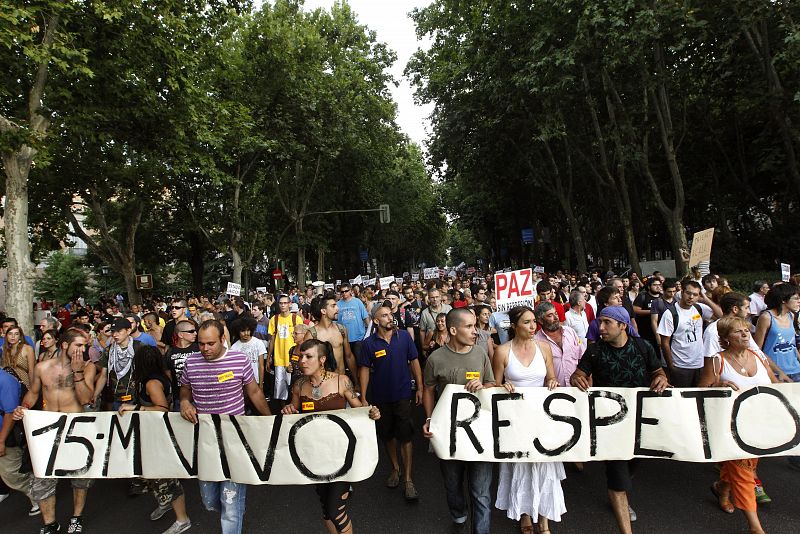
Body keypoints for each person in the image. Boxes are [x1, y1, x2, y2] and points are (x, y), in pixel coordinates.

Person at [570, 307, 669, 534]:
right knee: (617, 476)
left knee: (632, 461)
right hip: (609, 424)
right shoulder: (594, 352)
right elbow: (578, 373)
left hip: (639, 422)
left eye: (606, 323)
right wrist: (578, 379)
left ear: (623, 326)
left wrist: (661, 379)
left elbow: (658, 372)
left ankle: (622, 485)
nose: (600, 328)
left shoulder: (643, 347)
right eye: (600, 323)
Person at [179, 320, 271, 534]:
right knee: (209, 500)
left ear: (222, 340)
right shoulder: (191, 362)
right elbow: (185, 389)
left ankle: (233, 514)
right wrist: (184, 402)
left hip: (234, 440)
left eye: (210, 343)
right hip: (206, 442)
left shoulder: (239, 360)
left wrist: (269, 422)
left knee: (230, 505)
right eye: (201, 344)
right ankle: (233, 509)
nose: (205, 349)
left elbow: (254, 392)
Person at [282, 338, 380, 534]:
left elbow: (360, 411)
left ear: (322, 359)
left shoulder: (340, 381)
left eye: (308, 356)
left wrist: (372, 413)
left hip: (341, 456)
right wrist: (288, 409)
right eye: (301, 356)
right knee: (327, 509)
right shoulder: (299, 386)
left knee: (336, 510)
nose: (302, 361)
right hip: (315, 458)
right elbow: (293, 415)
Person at [699, 316, 778, 534]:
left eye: (746, 330)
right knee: (744, 473)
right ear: (725, 338)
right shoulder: (717, 360)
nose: (745, 334)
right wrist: (719, 385)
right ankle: (755, 527)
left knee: (749, 466)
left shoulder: (758, 356)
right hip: (730, 427)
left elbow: (776, 386)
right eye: (738, 332)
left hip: (760, 425)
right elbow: (701, 391)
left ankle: (721, 488)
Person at [14, 328, 97, 534]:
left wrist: (77, 371)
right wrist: (22, 407)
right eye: (78, 345)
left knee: (79, 479)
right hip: (48, 431)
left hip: (76, 431)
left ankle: (76, 517)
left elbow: (86, 398)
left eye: (85, 346)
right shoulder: (42, 367)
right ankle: (49, 523)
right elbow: (33, 394)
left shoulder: (88, 368)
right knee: (42, 480)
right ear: (65, 345)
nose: (82, 350)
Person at [423, 308, 496, 534]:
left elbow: (492, 384)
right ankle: (458, 513)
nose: (475, 332)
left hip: (479, 434)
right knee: (453, 485)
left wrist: (484, 386)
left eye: (475, 326)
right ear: (453, 330)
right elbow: (428, 389)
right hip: (449, 433)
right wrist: (429, 418)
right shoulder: (435, 358)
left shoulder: (481, 354)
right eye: (469, 327)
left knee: (481, 493)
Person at [493, 306, 565, 534]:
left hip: (542, 418)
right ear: (515, 326)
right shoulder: (502, 351)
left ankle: (543, 520)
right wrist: (502, 386)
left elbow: (551, 377)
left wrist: (553, 383)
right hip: (515, 419)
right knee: (521, 465)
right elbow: (494, 386)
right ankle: (524, 513)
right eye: (527, 322)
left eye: (534, 321)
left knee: (544, 466)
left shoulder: (544, 348)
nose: (533, 326)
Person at [118, 345, 191, 534]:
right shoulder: (154, 379)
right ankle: (164, 502)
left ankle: (182, 519)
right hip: (152, 435)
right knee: (151, 475)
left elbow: (162, 409)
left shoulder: (152, 383)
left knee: (167, 477)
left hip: (160, 437)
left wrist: (136, 409)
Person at [358, 304, 423, 501]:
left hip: (403, 395)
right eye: (384, 315)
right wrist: (363, 397)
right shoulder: (369, 344)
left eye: (391, 314)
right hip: (380, 398)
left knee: (405, 436)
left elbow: (414, 361)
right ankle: (395, 468)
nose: (390, 317)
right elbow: (363, 370)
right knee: (387, 435)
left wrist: (419, 387)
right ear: (376, 321)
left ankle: (408, 479)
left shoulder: (403, 336)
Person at [656, 280, 714, 387]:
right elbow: (665, 343)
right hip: (680, 366)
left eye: (695, 295)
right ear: (682, 292)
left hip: (699, 364)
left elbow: (720, 315)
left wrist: (705, 299)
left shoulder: (699, 308)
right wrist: (671, 367)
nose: (691, 297)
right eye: (688, 293)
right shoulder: (670, 314)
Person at [0, 368, 39, 517]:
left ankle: (37, 495)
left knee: (11, 473)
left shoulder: (5, 381)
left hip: (6, 434)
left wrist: (1, 441)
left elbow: (10, 413)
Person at [304, 294, 359, 389]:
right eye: (333, 306)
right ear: (323, 311)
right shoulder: (312, 334)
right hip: (321, 385)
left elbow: (349, 356)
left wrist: (356, 382)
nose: (338, 309)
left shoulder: (342, 330)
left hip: (341, 383)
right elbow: (306, 361)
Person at [753, 283, 800, 382]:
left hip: (796, 370)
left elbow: (792, 345)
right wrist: (779, 372)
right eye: (795, 298)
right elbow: (757, 350)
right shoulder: (766, 317)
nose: (799, 301)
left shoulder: (791, 315)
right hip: (775, 373)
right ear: (783, 300)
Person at [534, 302, 586, 387]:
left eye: (556, 313)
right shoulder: (536, 341)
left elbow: (583, 358)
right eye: (550, 315)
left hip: (577, 389)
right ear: (540, 320)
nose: (556, 318)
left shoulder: (570, 332)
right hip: (553, 392)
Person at [268, 294, 302, 408]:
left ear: (289, 304)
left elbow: (301, 338)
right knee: (280, 388)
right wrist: (269, 357)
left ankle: (293, 407)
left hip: (293, 358)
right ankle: (283, 409)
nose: (283, 305)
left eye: (285, 303)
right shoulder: (274, 319)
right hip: (279, 358)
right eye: (281, 303)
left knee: (294, 385)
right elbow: (272, 339)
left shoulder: (296, 318)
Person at [231, 317, 268, 392]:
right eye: (243, 331)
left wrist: (261, 385)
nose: (246, 333)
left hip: (256, 382)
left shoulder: (258, 343)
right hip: (241, 384)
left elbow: (261, 366)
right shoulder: (234, 348)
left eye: (248, 330)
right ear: (238, 331)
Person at [632, 278, 662, 348]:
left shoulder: (662, 297)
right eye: (655, 285)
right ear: (649, 287)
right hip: (645, 332)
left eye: (659, 285)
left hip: (660, 330)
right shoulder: (643, 296)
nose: (658, 287)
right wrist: (652, 311)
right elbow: (635, 310)